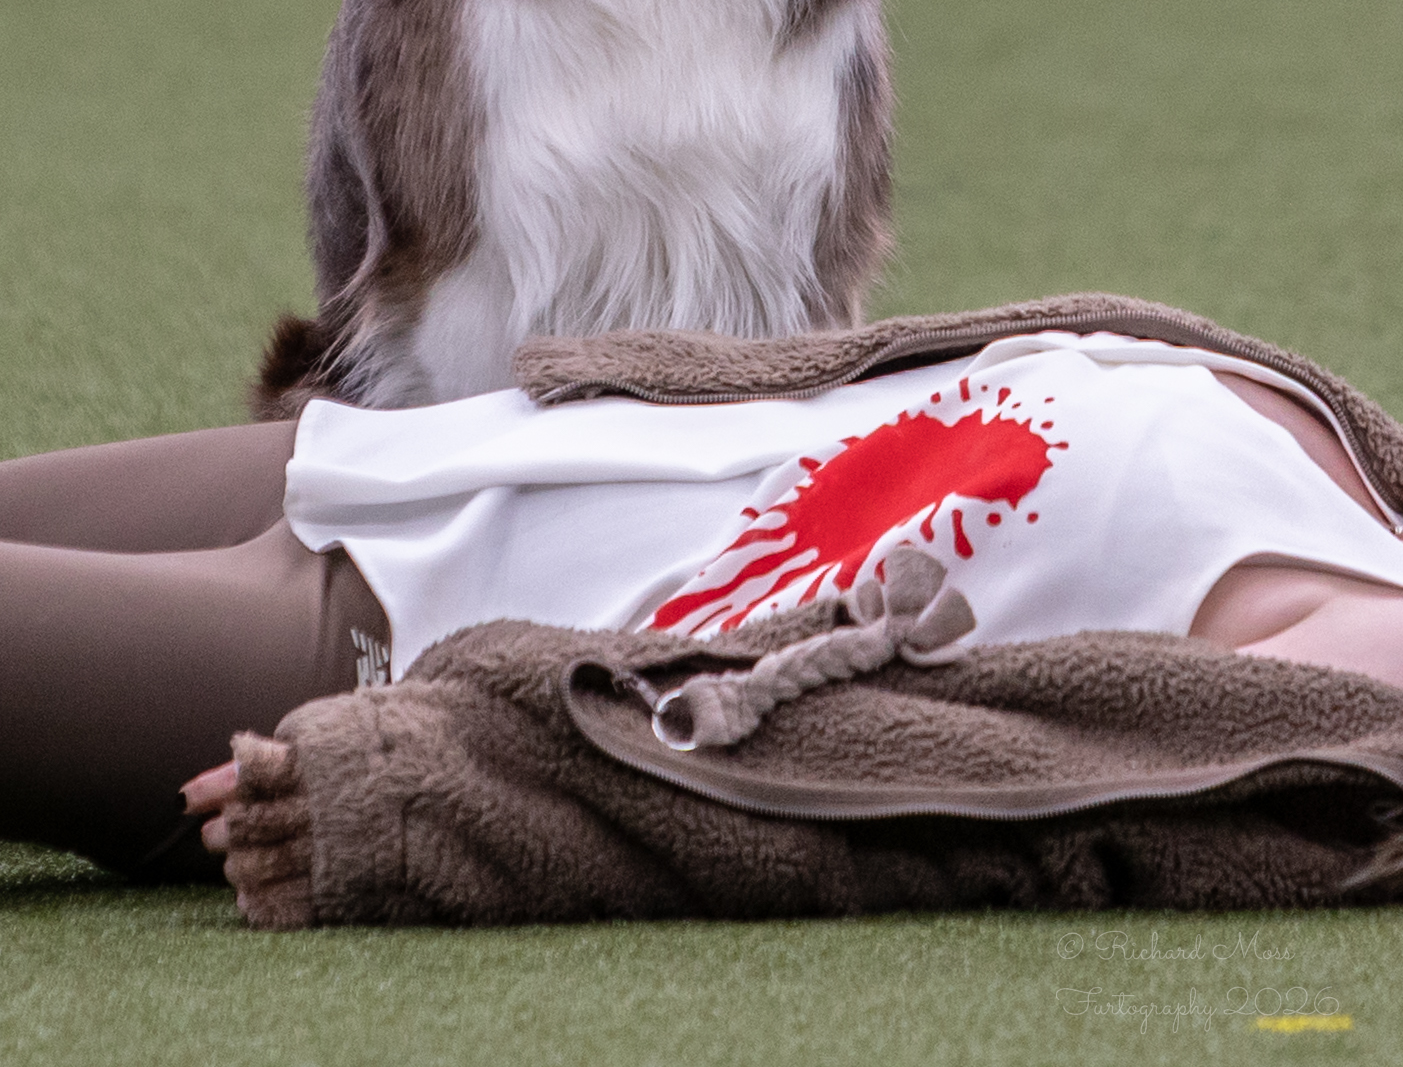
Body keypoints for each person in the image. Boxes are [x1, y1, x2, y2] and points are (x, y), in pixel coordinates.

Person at [5, 295, 1403, 893]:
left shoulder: (1373, 669)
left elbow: (963, 793)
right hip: (406, 468)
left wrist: (447, 792)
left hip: (382, 654)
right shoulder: (1340, 451)